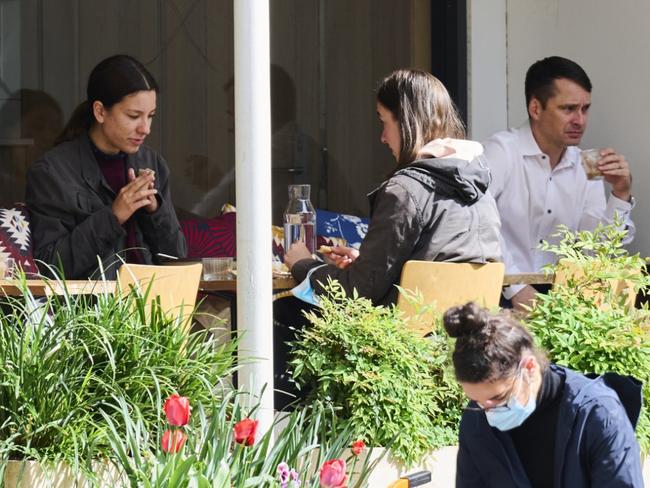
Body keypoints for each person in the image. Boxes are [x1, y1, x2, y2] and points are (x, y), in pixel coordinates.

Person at [284, 69, 502, 307]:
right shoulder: (481, 189)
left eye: (383, 121)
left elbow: (358, 290)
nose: (383, 137)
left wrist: (304, 264)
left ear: (407, 122)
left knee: (284, 313)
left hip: (406, 338)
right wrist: (366, 263)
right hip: (468, 332)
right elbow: (439, 267)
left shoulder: (404, 190)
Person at [481, 56, 635, 309]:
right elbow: (478, 226)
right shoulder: (500, 151)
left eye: (585, 109)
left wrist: (620, 194)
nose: (580, 120)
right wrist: (517, 290)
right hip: (499, 294)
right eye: (568, 109)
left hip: (565, 300)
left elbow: (596, 252)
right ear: (535, 108)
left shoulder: (586, 163)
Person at [444, 302, 643, 487]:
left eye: (498, 398)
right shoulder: (477, 416)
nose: (488, 412)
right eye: (477, 401)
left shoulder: (597, 414)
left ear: (529, 367)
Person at [26, 54, 186, 279]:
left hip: (154, 305)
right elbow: (52, 266)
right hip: (94, 311)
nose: (145, 128)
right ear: (100, 111)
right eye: (133, 116)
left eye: (150, 116)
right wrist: (113, 216)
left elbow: (177, 259)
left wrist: (155, 212)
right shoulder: (52, 172)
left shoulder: (152, 164)